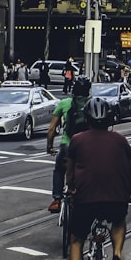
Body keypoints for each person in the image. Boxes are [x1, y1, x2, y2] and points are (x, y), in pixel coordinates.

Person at [64, 96, 131, 260]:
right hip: (116, 199)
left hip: (85, 200)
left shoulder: (77, 140)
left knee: (76, 241)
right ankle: (116, 256)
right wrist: (126, 193)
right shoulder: (121, 140)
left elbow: (70, 172)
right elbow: (130, 173)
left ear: (87, 118)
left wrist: (71, 188)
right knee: (119, 221)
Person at [46, 76, 92, 213]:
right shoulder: (93, 103)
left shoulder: (64, 103)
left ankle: (56, 199)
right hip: (87, 146)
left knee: (59, 170)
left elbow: (51, 129)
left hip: (68, 144)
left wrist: (49, 146)